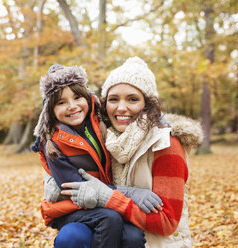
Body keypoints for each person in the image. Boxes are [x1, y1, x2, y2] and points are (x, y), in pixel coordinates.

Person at [54, 57, 203, 247]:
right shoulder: (106, 138)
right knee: (72, 237)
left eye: (132, 99)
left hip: (154, 243)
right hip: (115, 236)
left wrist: (110, 197)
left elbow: (167, 221)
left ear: (148, 104)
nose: (121, 108)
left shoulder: (166, 144)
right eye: (113, 99)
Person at [31, 64, 163, 248]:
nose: (72, 106)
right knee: (109, 219)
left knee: (132, 236)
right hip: (72, 207)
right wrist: (131, 193)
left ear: (88, 97)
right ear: (50, 111)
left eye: (77, 97)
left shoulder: (99, 120)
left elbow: (136, 116)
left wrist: (162, 121)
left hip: (105, 202)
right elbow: (77, 189)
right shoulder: (53, 144)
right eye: (61, 102)